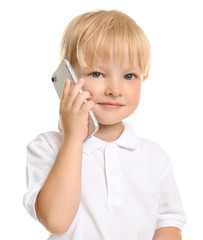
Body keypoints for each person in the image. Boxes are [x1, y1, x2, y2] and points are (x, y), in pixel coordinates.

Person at [23, 10, 186, 240]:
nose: (115, 90)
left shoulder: (155, 158)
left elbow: (168, 223)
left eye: (129, 76)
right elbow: (56, 221)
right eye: (97, 73)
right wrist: (72, 138)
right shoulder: (47, 147)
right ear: (67, 78)